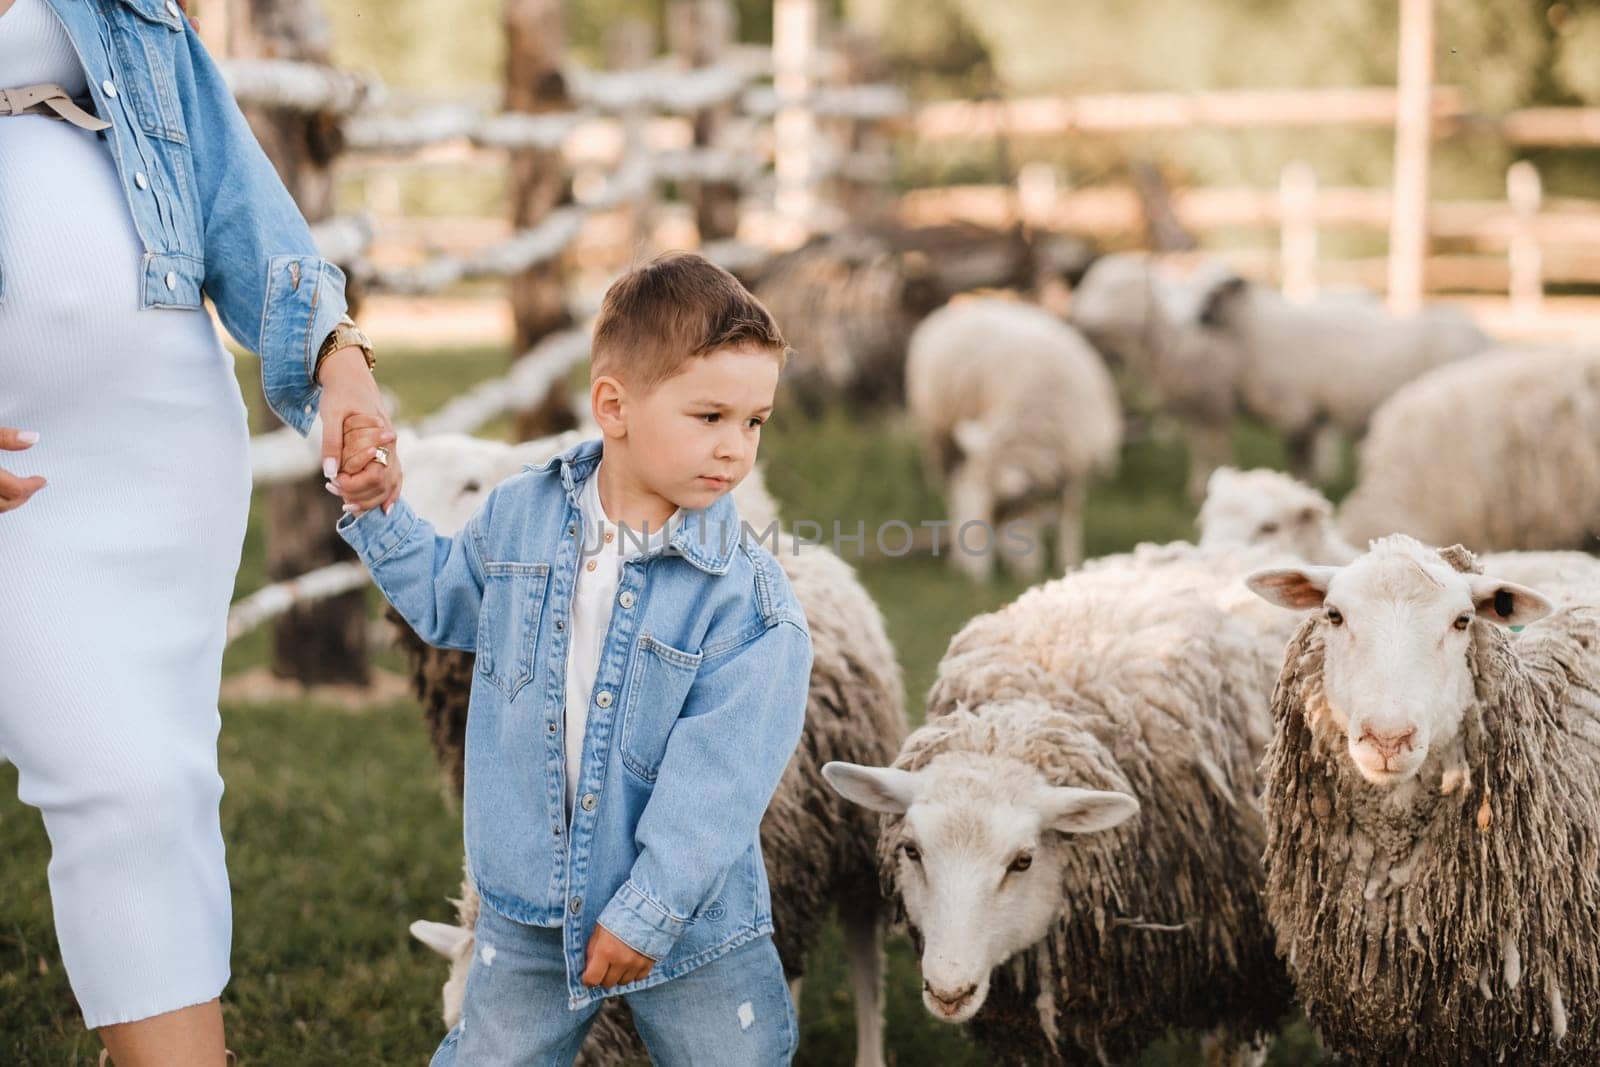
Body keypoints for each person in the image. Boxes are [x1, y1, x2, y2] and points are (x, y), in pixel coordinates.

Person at [0, 0, 401, 1062]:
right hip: (19, 478)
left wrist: (336, 360)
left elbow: (228, 181)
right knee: (122, 780)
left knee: (156, 790)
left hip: (160, 447)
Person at [336, 253, 813, 1064]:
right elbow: (452, 598)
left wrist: (650, 910)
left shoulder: (751, 606)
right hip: (532, 902)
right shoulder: (520, 514)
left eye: (754, 421)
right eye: (710, 417)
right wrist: (380, 514)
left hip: (687, 924)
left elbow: (721, 779)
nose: (736, 447)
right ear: (612, 406)